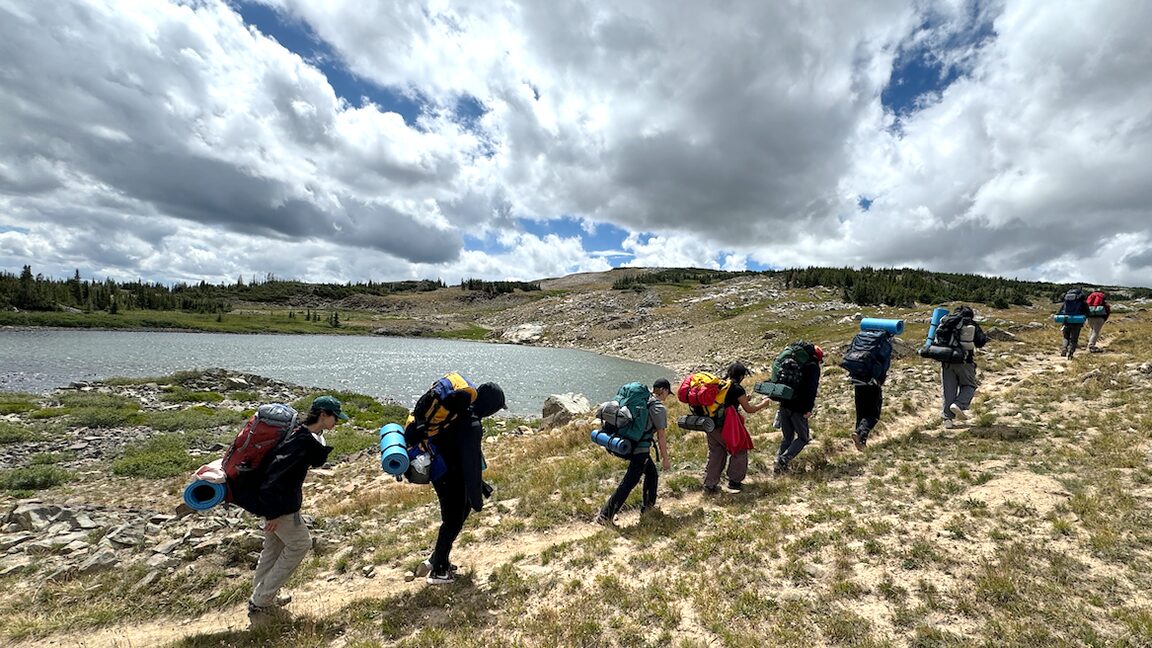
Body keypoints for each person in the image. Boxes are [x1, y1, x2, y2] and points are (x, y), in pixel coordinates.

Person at [243, 395, 343, 618]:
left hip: (272, 503)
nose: (337, 422)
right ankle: (262, 599)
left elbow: (313, 460)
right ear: (324, 415)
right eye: (335, 417)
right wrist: (272, 514)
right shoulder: (300, 441)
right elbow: (275, 477)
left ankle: (261, 597)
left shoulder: (300, 433)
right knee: (300, 544)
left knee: (273, 549)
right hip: (279, 507)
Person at [414, 382, 505, 584]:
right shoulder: (471, 424)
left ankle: (438, 559)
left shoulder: (462, 413)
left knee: (459, 512)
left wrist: (479, 488)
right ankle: (438, 571)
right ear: (490, 406)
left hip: (445, 470)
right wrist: (477, 501)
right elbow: (471, 464)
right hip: (445, 473)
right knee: (453, 519)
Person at [595, 379, 672, 525]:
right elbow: (661, 436)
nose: (667, 396)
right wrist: (665, 459)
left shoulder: (640, 400)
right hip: (639, 448)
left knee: (651, 473)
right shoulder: (658, 408)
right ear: (663, 390)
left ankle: (648, 508)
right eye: (668, 392)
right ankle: (606, 515)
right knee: (630, 481)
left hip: (626, 441)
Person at [703, 362, 771, 493]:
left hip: (710, 424)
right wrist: (763, 404)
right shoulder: (737, 389)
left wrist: (745, 399)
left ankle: (710, 484)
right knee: (739, 450)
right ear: (741, 376)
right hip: (727, 426)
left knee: (716, 452)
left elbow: (725, 402)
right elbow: (749, 409)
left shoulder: (720, 385)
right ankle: (734, 482)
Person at [773, 346, 824, 474]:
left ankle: (778, 465)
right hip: (799, 407)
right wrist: (808, 408)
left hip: (784, 403)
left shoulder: (793, 361)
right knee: (803, 438)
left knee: (787, 437)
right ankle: (784, 459)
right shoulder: (812, 367)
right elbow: (811, 389)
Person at [940, 306, 987, 428]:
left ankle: (947, 420)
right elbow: (981, 341)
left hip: (947, 362)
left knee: (948, 390)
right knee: (969, 385)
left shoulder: (947, 322)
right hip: (965, 361)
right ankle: (959, 404)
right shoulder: (971, 323)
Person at [849, 334, 893, 451]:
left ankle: (861, 441)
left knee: (861, 412)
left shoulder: (859, 338)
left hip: (857, 379)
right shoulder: (884, 344)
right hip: (872, 382)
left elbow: (850, 352)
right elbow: (885, 364)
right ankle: (860, 434)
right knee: (873, 415)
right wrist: (880, 379)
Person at [1057, 287, 1089, 359]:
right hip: (1077, 322)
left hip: (1066, 321)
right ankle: (1071, 353)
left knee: (1066, 337)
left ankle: (1064, 348)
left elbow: (1059, 312)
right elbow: (1088, 313)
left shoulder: (1066, 302)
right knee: (1074, 339)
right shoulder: (1082, 302)